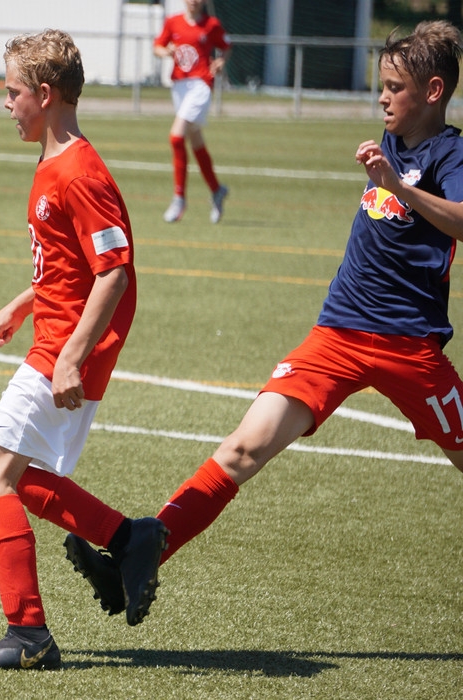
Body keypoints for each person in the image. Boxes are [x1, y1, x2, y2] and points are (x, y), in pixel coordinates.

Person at [65, 19, 463, 620]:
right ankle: (140, 554)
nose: (381, 98)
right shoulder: (393, 142)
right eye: (380, 85)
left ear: (433, 92)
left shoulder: (449, 152)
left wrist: (396, 186)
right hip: (336, 334)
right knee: (242, 449)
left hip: (409, 347)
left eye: (394, 88)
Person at [0, 29, 169, 671]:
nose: (6, 104)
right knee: (19, 476)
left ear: (44, 95)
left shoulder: (78, 172)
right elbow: (69, 266)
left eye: (12, 92)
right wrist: (22, 304)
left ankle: (28, 635)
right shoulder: (55, 164)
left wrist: (72, 355)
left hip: (64, 349)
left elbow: (114, 271)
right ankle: (128, 538)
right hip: (55, 337)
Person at [153, 0, 231, 224]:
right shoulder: (173, 22)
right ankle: (216, 190)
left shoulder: (211, 24)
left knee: (176, 137)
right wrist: (166, 51)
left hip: (201, 85)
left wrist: (221, 61)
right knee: (195, 140)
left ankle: (179, 198)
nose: (194, 1)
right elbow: (157, 47)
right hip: (179, 87)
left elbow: (226, 46)